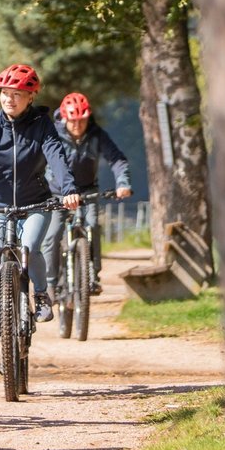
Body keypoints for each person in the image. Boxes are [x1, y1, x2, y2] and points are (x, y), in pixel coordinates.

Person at [0, 63, 79, 373]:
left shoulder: (42, 125)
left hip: (35, 203)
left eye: (17, 94)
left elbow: (56, 157)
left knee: (29, 246)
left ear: (31, 97)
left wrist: (68, 189)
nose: (9, 100)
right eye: (5, 94)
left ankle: (40, 292)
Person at [40, 92, 133, 301]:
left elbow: (117, 160)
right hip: (57, 193)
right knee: (52, 235)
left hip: (87, 190)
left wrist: (123, 183)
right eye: (73, 120)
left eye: (82, 120)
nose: (77, 125)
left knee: (92, 226)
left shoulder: (96, 134)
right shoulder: (52, 134)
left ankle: (92, 275)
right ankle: (51, 285)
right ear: (64, 117)